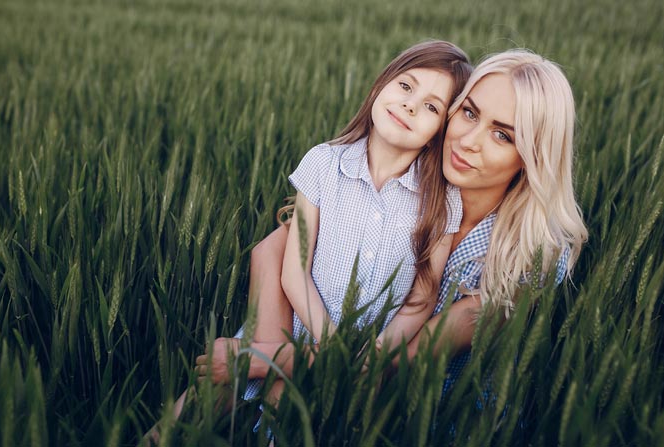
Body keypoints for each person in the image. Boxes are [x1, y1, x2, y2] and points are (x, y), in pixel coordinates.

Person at [196, 49, 588, 404]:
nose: (468, 141)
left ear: (534, 158)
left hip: (428, 418)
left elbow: (385, 363)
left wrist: (265, 360)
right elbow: (271, 252)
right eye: (469, 113)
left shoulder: (531, 256)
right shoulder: (400, 185)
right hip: (318, 357)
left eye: (502, 135)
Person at [169, 40, 472, 419]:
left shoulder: (442, 201)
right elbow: (295, 270)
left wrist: (374, 352)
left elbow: (422, 298)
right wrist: (330, 344)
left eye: (431, 106)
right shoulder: (325, 163)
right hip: (292, 329)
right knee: (188, 414)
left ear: (439, 131)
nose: (411, 105)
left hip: (368, 355)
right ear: (380, 86)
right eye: (406, 86)